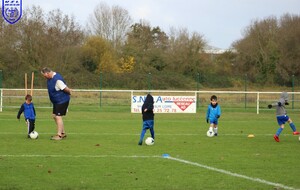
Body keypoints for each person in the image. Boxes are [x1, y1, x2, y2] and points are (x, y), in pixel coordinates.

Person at [41, 67, 72, 140]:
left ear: (47, 73)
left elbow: (65, 88)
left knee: (58, 116)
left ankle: (59, 135)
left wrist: (70, 92)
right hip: (56, 101)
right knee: (54, 116)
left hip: (62, 100)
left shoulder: (57, 80)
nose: (44, 77)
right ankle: (63, 133)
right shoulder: (50, 79)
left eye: (44, 75)